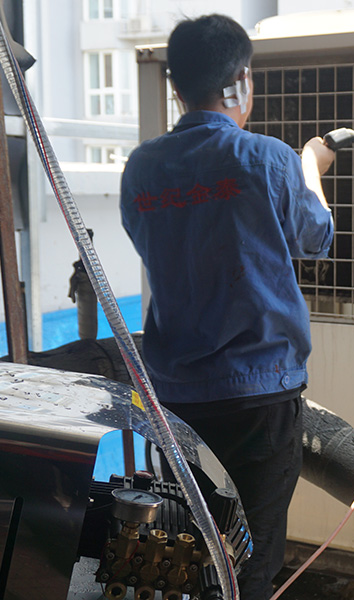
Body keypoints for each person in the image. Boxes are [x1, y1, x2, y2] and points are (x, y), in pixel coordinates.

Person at [120, 14, 335, 599]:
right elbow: (315, 238)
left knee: (184, 555)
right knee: (249, 563)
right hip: (259, 399)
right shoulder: (269, 159)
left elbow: (150, 243)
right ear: (241, 81)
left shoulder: (142, 167)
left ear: (175, 85)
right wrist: (310, 167)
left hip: (176, 403)